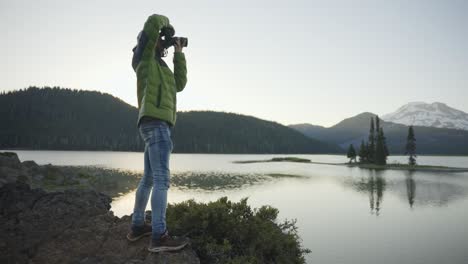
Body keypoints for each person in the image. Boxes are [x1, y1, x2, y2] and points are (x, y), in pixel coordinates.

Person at [127, 14, 189, 253]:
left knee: (150, 178)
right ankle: (159, 237)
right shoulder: (142, 59)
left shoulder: (161, 67)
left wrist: (179, 52)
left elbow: (180, 84)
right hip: (156, 124)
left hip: (155, 125)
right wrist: (167, 27)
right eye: (158, 40)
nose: (160, 43)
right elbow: (154, 21)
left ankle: (137, 226)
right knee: (162, 179)